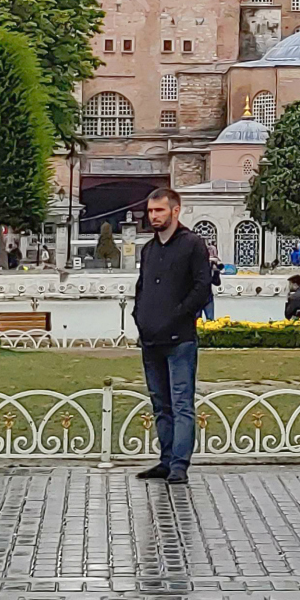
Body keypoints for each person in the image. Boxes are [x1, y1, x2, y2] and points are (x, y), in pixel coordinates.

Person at [133, 186, 211, 484]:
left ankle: (180, 464)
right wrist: (140, 318)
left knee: (181, 403)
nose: (154, 216)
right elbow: (143, 288)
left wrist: (178, 315)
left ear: (175, 211)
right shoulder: (149, 249)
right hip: (151, 338)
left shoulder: (192, 245)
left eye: (159, 210)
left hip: (180, 340)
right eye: (151, 211)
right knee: (160, 403)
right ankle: (165, 460)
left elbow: (202, 288)